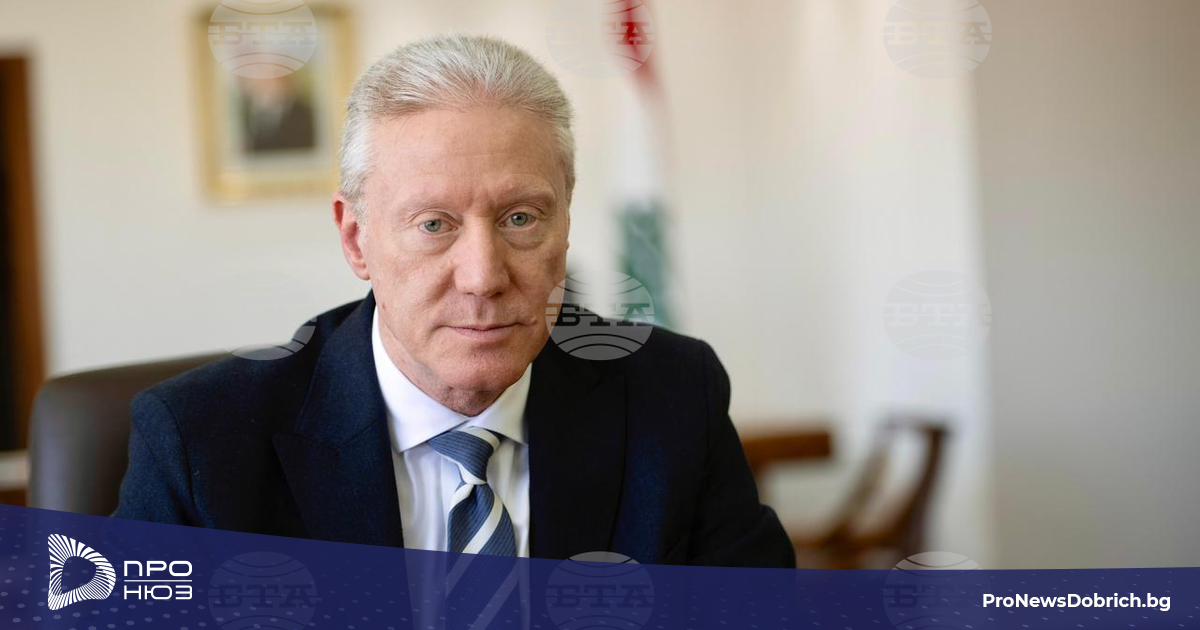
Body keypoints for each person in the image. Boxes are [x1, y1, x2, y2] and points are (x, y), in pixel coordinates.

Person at [113, 33, 794, 568]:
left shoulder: (673, 396)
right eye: (434, 224)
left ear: (565, 222)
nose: (483, 277)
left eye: (521, 218)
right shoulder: (201, 442)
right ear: (356, 240)